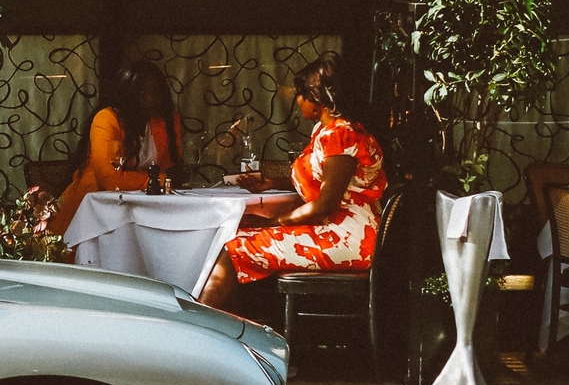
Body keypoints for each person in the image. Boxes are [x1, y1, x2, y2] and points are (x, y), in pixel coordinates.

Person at [199, 53, 388, 313]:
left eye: (301, 93)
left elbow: (324, 204)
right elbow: (326, 180)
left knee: (233, 249)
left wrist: (272, 222)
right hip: (338, 232)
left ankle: (199, 328)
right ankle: (224, 331)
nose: (297, 100)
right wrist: (271, 181)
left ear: (318, 99)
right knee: (232, 238)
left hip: (346, 238)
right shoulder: (327, 132)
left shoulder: (341, 135)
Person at [45, 58, 184, 235]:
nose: (150, 98)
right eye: (142, 91)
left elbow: (172, 173)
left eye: (155, 91)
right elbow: (110, 179)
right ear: (127, 93)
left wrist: (160, 180)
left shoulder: (168, 121)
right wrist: (155, 181)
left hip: (142, 212)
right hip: (94, 212)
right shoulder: (107, 118)